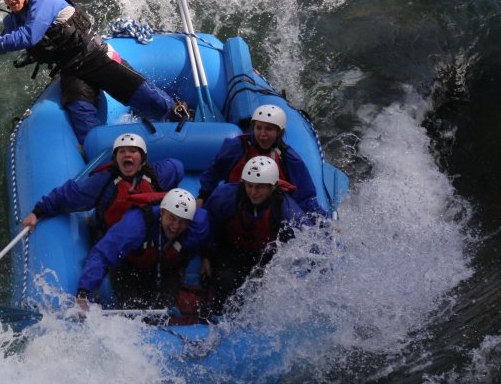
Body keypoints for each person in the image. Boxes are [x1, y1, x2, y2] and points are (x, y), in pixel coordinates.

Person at [0, 0, 188, 144]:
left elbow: (30, 36)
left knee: (146, 97)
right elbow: (3, 44)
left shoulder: (45, 0)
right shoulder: (12, 20)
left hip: (95, 57)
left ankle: (181, 119)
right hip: (71, 69)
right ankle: (103, 158)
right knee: (81, 118)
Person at [203, 155, 313, 313]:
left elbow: (307, 235)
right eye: (250, 186)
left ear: (273, 186)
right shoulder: (224, 198)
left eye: (260, 187)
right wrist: (206, 256)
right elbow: (211, 226)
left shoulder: (284, 206)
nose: (253, 192)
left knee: (263, 286)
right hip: (233, 250)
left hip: (266, 255)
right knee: (226, 279)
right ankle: (219, 316)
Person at [20, 132, 184, 236]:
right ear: (115, 159)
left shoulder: (157, 174)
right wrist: (38, 211)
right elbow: (70, 194)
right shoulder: (102, 182)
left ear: (142, 158)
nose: (127, 155)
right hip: (115, 239)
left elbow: (177, 167)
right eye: (122, 152)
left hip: (150, 235)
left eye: (133, 151)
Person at [75, 188, 212, 310]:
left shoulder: (198, 225)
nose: (176, 226)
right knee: (133, 308)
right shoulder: (136, 225)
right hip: (128, 268)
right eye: (172, 218)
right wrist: (83, 293)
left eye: (182, 221)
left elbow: (206, 239)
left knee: (164, 310)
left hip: (166, 269)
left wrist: (206, 257)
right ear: (162, 212)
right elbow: (102, 254)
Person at [197, 103, 326, 216]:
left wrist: (323, 222)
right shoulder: (237, 146)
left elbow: (305, 197)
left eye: (269, 129)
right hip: (236, 202)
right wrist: (203, 196)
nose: (262, 134)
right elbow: (214, 170)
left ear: (279, 132)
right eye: (259, 128)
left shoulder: (289, 159)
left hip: (269, 209)